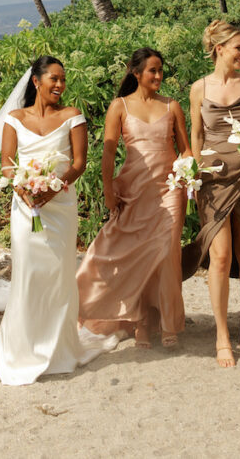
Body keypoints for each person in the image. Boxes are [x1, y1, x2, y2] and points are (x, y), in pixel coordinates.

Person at [0, 56, 115, 385]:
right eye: (53, 79)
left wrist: (54, 187)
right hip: (25, 204)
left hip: (59, 206)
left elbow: (79, 162)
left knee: (59, 272)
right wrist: (21, 186)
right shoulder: (14, 118)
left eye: (63, 80)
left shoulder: (73, 116)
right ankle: (24, 343)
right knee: (27, 271)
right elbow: (6, 161)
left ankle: (58, 347)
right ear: (36, 82)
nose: (59, 85)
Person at [77, 48, 190, 349]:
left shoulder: (172, 106)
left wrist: (188, 173)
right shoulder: (119, 106)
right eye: (152, 70)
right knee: (137, 254)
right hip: (133, 189)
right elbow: (109, 152)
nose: (158, 76)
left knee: (166, 254)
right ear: (136, 73)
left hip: (170, 190)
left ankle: (167, 323)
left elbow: (186, 149)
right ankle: (140, 319)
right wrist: (109, 191)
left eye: (161, 70)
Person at [181, 21, 240, 368]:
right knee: (219, 257)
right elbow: (197, 135)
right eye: (238, 47)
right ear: (219, 48)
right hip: (213, 181)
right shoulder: (198, 88)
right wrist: (195, 177)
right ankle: (222, 335)